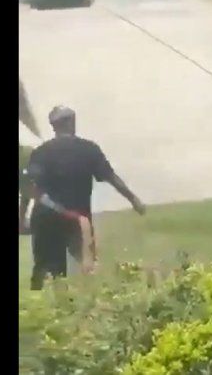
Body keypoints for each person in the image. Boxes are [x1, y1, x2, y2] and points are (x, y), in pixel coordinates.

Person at [23, 105, 146, 289]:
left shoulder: (40, 152)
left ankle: (44, 311)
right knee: (87, 269)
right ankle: (84, 307)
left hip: (47, 218)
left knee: (46, 272)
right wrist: (133, 199)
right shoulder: (89, 149)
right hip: (77, 221)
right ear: (72, 122)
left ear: (53, 126)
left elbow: (30, 188)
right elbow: (111, 178)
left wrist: (20, 216)